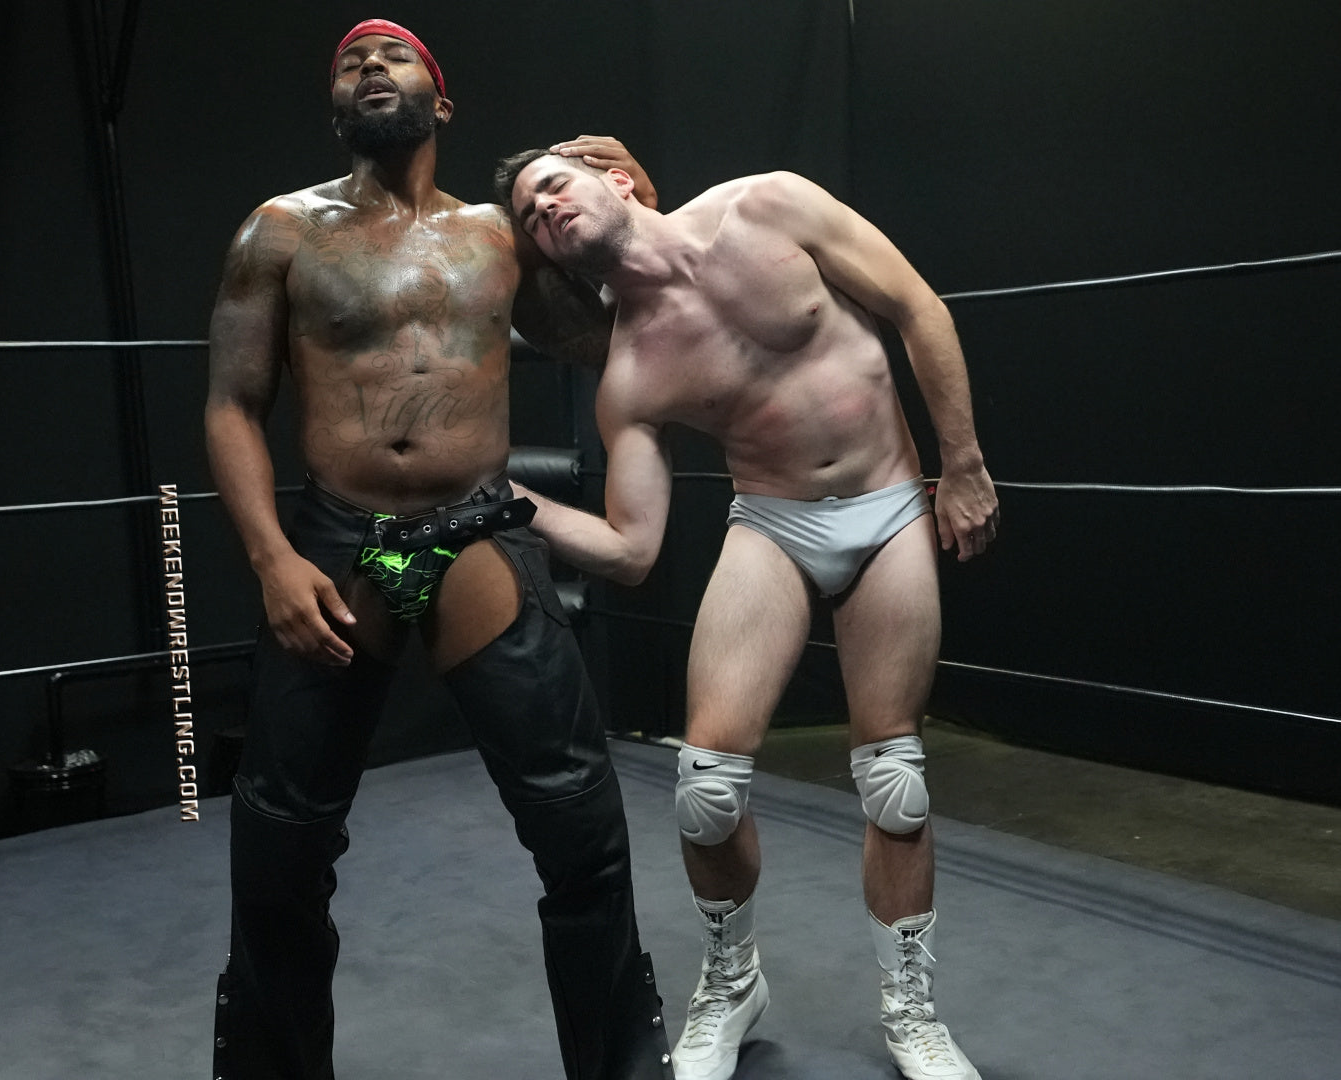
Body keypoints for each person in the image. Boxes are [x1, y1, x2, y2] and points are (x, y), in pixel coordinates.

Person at [204, 20, 672, 1080]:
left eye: (393, 55)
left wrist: (633, 207)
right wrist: (272, 559)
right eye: (349, 61)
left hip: (474, 532)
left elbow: (607, 329)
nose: (369, 66)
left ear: (440, 100)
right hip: (338, 538)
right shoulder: (280, 231)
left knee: (580, 828)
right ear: (336, 105)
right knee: (279, 843)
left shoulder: (499, 237)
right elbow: (232, 404)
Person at [494, 147, 1000, 1080]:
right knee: (705, 788)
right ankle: (733, 982)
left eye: (554, 183)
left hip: (890, 504)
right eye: (529, 214)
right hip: (772, 522)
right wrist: (504, 497)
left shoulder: (768, 205)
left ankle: (912, 1010)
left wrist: (961, 463)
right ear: (548, 257)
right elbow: (631, 550)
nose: (545, 208)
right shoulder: (630, 373)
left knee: (894, 779)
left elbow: (916, 306)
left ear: (616, 178)